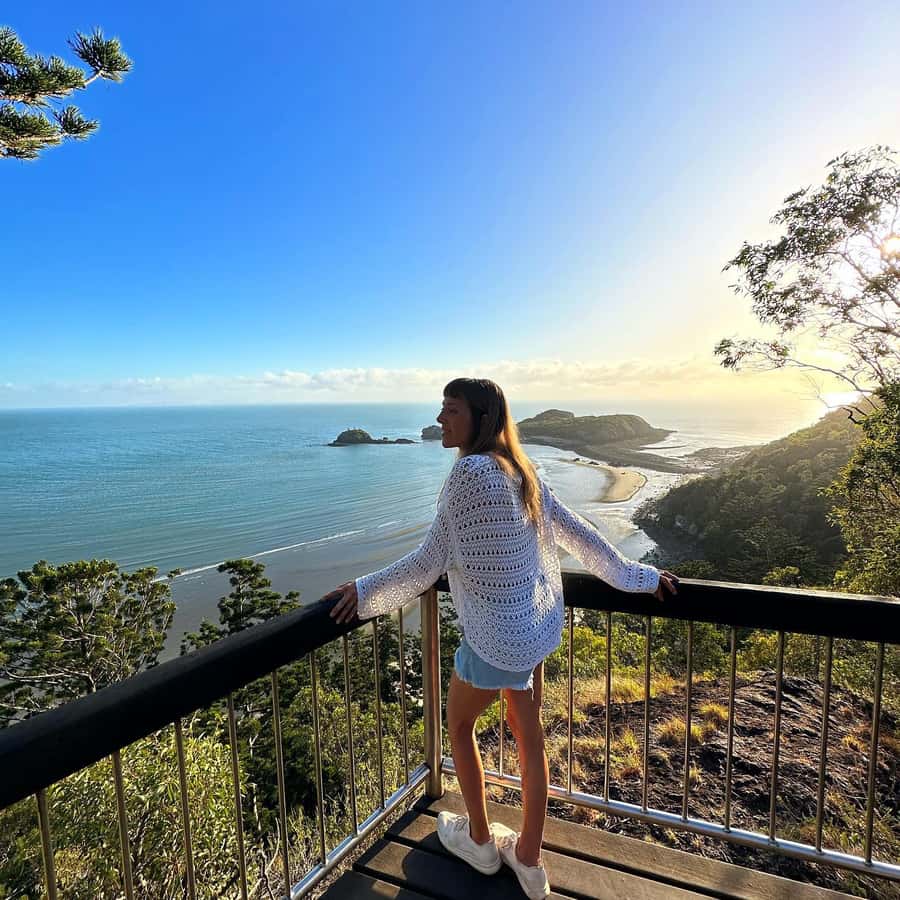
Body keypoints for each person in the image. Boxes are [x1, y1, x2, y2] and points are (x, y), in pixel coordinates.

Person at [321, 378, 679, 899]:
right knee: (529, 740)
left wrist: (362, 591)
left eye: (451, 410)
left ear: (480, 417)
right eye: (441, 409)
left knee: (458, 724)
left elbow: (428, 562)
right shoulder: (520, 469)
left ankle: (481, 842)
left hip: (493, 640)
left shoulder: (468, 474)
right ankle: (529, 860)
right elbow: (578, 533)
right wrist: (639, 576)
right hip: (532, 630)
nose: (440, 419)